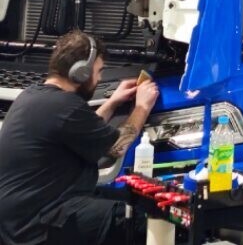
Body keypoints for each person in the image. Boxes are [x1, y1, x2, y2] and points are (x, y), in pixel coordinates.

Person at [0, 29, 160, 245]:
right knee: (138, 220)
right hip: (38, 224)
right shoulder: (65, 105)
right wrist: (142, 106)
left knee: (134, 199)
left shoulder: (34, 95)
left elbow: (84, 130)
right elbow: (117, 147)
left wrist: (113, 102)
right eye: (99, 71)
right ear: (81, 72)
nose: (99, 78)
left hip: (23, 216)